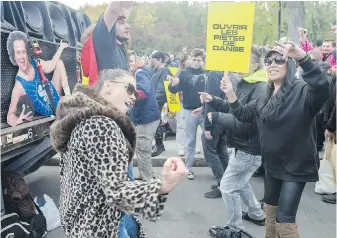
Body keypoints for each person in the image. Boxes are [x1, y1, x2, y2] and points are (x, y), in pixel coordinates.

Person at [50, 69, 188, 237]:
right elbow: (116, 192)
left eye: (136, 93)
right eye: (129, 89)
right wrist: (163, 186)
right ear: (108, 86)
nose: (134, 97)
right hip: (101, 226)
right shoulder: (101, 124)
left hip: (85, 221)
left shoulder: (80, 117)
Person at [220, 41, 330, 237]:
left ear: (290, 65)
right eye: (269, 60)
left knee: (284, 221)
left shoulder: (302, 90)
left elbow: (323, 86)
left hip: (296, 166)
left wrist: (303, 58)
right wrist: (229, 92)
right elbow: (245, 115)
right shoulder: (266, 94)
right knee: (269, 215)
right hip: (272, 165)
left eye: (280, 59)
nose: (272, 64)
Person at [6, 31, 70, 127]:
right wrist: (18, 120)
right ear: (14, 57)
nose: (22, 57)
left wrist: (61, 47)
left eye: (23, 52)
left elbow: (52, 64)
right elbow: (10, 116)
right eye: (18, 53)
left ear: (27, 52)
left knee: (59, 63)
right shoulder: (19, 85)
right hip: (53, 109)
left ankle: (69, 96)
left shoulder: (36, 62)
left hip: (55, 93)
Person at [169, 48, 207, 180]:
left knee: (208, 138)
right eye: (194, 59)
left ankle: (215, 166)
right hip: (190, 110)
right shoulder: (183, 73)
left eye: (199, 60)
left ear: (203, 61)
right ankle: (189, 168)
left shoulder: (207, 73)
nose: (196, 62)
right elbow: (173, 90)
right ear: (190, 59)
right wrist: (173, 84)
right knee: (190, 141)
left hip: (205, 110)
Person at [81, 1, 134, 86]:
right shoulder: (103, 40)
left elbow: (127, 6)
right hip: (104, 98)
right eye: (121, 23)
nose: (128, 26)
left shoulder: (121, 48)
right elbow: (113, 10)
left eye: (126, 22)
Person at [128, 50, 161, 181]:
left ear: (136, 61)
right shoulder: (142, 71)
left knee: (142, 149)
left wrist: (130, 97)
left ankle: (147, 180)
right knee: (142, 149)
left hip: (147, 118)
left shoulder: (139, 72)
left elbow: (143, 91)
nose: (129, 64)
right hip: (149, 116)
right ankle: (146, 174)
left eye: (131, 61)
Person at [151, 51, 172, 157]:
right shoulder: (157, 70)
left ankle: (158, 145)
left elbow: (163, 88)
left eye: (154, 61)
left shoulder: (165, 71)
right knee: (158, 122)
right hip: (156, 99)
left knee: (157, 123)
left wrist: (156, 98)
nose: (153, 63)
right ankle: (160, 144)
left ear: (159, 60)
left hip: (160, 101)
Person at [175, 53, 191, 156]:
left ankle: (191, 145)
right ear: (184, 62)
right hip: (181, 102)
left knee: (192, 125)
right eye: (188, 59)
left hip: (193, 102)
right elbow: (174, 89)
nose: (190, 61)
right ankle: (181, 146)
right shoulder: (179, 73)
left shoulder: (196, 73)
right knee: (181, 125)